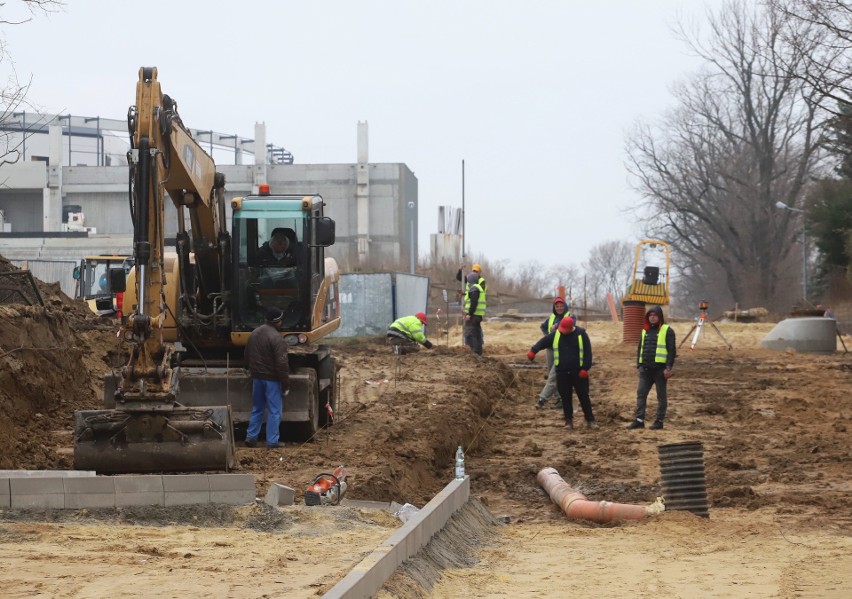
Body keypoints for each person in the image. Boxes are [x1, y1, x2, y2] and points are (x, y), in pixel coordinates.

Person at [528, 316, 596, 429]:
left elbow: (588, 353)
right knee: (565, 398)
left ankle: (590, 420)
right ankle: (568, 421)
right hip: (562, 372)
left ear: (571, 327)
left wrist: (585, 368)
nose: (562, 332)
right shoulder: (557, 334)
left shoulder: (581, 334)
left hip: (579, 372)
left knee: (583, 396)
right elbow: (543, 342)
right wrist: (533, 350)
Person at [244, 307, 290, 449]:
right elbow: (282, 364)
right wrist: (285, 384)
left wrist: (249, 370)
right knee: (275, 411)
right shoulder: (277, 338)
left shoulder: (254, 333)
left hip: (256, 378)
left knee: (257, 408)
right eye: (280, 320)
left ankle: (251, 437)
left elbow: (247, 354)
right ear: (277, 322)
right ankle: (272, 441)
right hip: (272, 379)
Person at [627, 305, 676, 430]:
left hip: (660, 370)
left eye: (655, 315)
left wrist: (668, 367)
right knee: (641, 394)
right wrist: (639, 364)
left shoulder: (667, 330)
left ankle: (659, 421)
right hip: (646, 370)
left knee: (661, 396)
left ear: (660, 317)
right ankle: (639, 420)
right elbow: (640, 349)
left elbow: (671, 351)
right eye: (650, 315)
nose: (652, 318)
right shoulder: (645, 331)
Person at [535, 297, 572, 410]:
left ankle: (542, 399)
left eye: (561, 306)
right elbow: (543, 326)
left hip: (562, 350)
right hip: (551, 349)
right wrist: (548, 336)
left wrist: (556, 326)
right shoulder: (551, 317)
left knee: (553, 375)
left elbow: (571, 324)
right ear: (554, 308)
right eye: (557, 306)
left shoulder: (569, 316)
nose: (559, 308)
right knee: (551, 372)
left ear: (564, 306)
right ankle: (560, 398)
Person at [463, 272, 486, 355]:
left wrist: (469, 314)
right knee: (477, 333)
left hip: (474, 315)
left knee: (472, 333)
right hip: (478, 315)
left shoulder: (474, 288)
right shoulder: (478, 288)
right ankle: (478, 351)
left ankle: (475, 351)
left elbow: (474, 302)